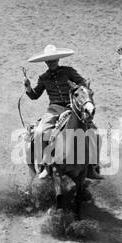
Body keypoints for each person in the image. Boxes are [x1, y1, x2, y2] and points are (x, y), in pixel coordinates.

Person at [24, 44, 103, 179]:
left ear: (58, 60)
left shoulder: (69, 71)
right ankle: (45, 165)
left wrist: (76, 88)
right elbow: (35, 95)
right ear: (46, 62)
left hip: (72, 108)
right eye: (49, 61)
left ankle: (92, 167)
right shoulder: (43, 78)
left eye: (54, 60)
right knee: (39, 132)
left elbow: (82, 84)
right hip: (54, 109)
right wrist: (28, 87)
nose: (51, 63)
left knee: (96, 135)